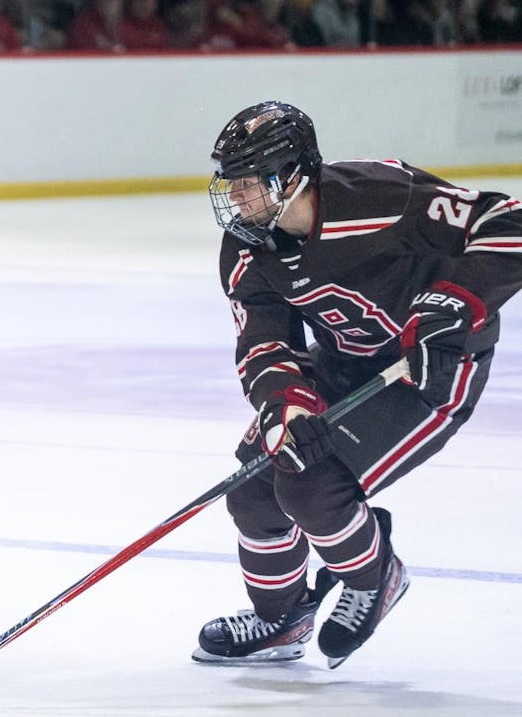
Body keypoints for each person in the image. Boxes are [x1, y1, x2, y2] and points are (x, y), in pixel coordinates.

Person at [195, 102, 522, 668]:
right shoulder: (247, 250)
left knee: (309, 485)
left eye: (250, 183)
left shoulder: (378, 195)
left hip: (433, 371)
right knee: (251, 486)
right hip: (347, 361)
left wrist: (454, 303)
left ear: (294, 176)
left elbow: (507, 220)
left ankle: (377, 578)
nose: (237, 198)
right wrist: (285, 408)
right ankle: (282, 619)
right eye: (232, 183)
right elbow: (266, 343)